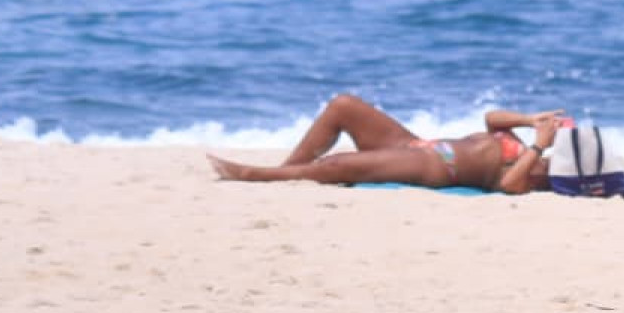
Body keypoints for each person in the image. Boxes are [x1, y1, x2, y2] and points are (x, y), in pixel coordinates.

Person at [207, 94, 560, 194]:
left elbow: (508, 185)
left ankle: (255, 175)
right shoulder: (525, 142)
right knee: (343, 106)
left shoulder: (533, 174)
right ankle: (287, 173)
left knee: (339, 165)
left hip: (437, 167)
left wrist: (538, 147)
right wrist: (531, 121)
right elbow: (491, 119)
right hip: (418, 144)